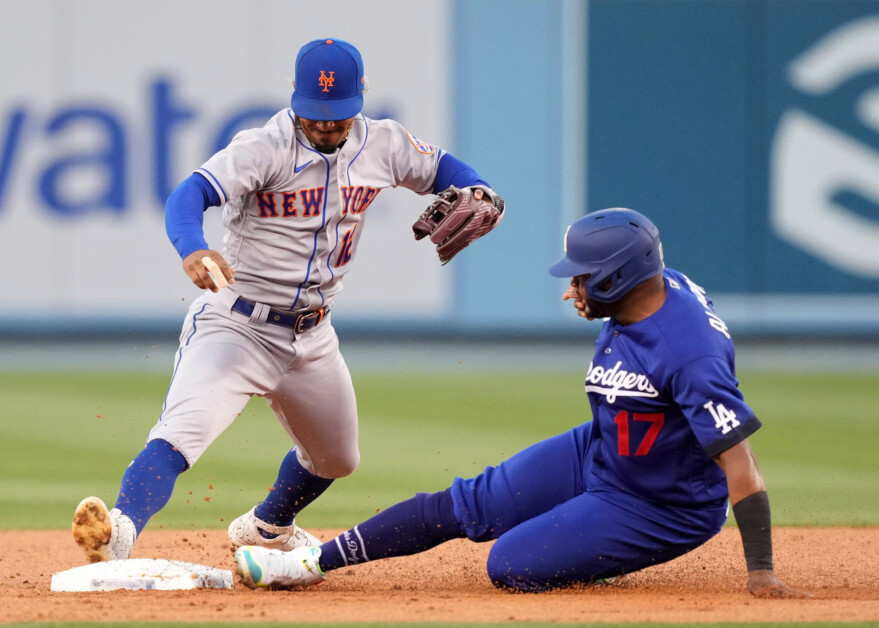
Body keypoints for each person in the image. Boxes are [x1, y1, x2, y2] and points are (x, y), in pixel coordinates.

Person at [71, 37, 504, 563]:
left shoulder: (383, 143)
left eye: (338, 116)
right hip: (237, 326)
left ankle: (268, 526)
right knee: (180, 437)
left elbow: (445, 170)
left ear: (360, 98)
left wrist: (478, 189)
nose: (325, 125)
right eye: (315, 115)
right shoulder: (264, 147)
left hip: (313, 335)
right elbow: (189, 195)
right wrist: (193, 247)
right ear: (294, 98)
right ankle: (117, 533)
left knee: (337, 458)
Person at [233, 208, 810, 598]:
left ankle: (595, 548)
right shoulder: (654, 287)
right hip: (603, 450)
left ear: (616, 280)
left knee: (509, 566)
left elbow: (742, 466)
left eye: (581, 278)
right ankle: (311, 563)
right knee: (466, 503)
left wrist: (760, 571)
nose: (570, 288)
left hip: (661, 504)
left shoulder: (689, 354)